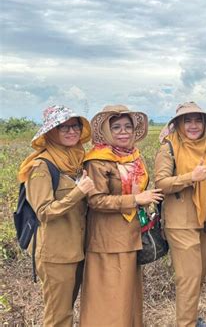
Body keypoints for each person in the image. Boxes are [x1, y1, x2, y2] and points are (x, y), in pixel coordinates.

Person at [79, 105, 164, 327]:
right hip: (107, 239)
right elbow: (95, 200)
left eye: (128, 126)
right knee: (108, 296)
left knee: (128, 293)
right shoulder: (97, 161)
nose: (123, 131)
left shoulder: (134, 157)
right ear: (106, 131)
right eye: (116, 127)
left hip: (131, 233)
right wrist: (135, 200)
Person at [17, 105, 95, 327]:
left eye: (75, 126)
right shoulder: (41, 167)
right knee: (58, 317)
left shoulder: (78, 162)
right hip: (56, 254)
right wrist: (78, 192)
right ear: (51, 132)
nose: (71, 131)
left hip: (78, 249)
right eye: (63, 127)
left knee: (67, 310)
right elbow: (44, 212)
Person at [155, 102, 206, 327]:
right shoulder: (168, 148)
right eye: (188, 120)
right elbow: (161, 183)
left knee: (200, 275)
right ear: (178, 124)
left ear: (205, 124)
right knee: (189, 278)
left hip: (205, 220)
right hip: (179, 223)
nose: (194, 125)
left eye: (198, 120)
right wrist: (189, 177)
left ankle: (192, 318)